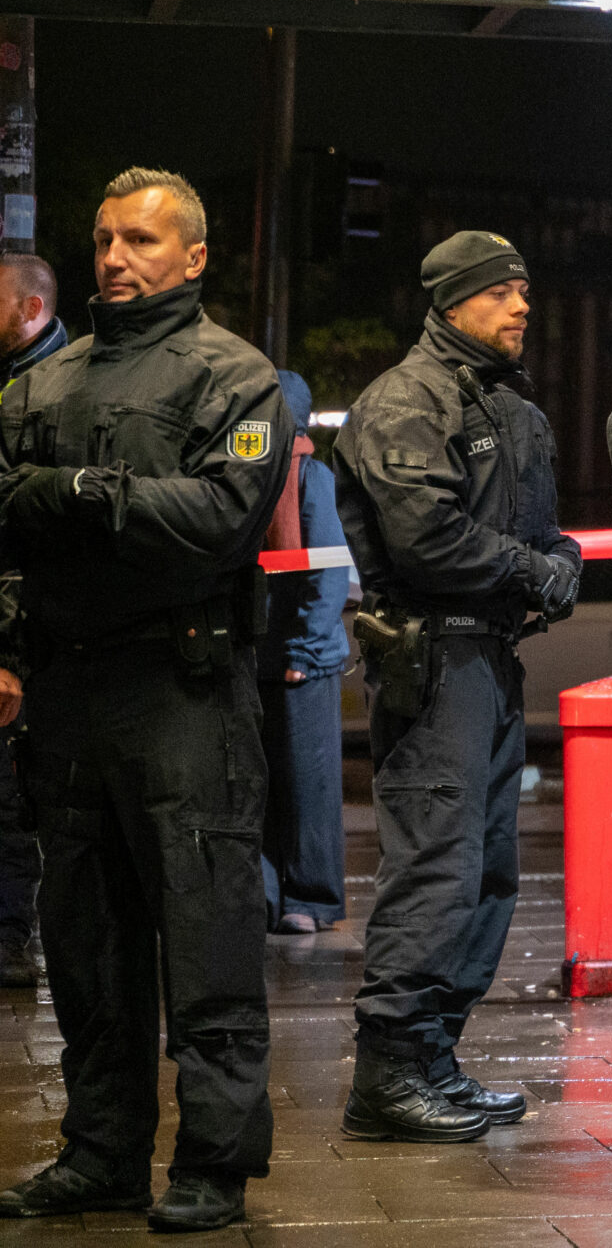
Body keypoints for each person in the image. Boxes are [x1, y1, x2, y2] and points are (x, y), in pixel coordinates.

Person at [0, 170, 289, 1230]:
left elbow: (219, 519)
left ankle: (213, 1161)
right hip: (71, 691)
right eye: (105, 237)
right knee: (87, 945)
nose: (116, 256)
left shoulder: (235, 376)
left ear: (194, 256)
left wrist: (80, 495)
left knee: (207, 936)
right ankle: (102, 1151)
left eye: (142, 239)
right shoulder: (42, 382)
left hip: (185, 694)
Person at [334, 231, 583, 1144]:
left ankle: (430, 1055)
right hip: (434, 661)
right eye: (502, 291)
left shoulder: (510, 408)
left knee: (485, 873)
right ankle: (387, 1072)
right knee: (436, 868)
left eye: (525, 288)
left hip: (490, 658)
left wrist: (557, 560)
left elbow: (540, 530)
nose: (523, 305)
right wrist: (533, 568)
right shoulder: (407, 400)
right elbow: (427, 539)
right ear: (452, 303)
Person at [260, 370, 350, 935]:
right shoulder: (254, 475)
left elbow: (328, 572)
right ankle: (269, 896)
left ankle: (311, 899)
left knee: (308, 785)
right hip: (260, 656)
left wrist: (306, 651)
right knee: (264, 783)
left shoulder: (311, 478)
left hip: (302, 662)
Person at [0, 250, 64, 990]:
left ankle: (10, 936)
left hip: (25, 644)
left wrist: (10, 654)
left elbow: (28, 543)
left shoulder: (48, 391)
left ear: (30, 309)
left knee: (12, 798)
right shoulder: (20, 381)